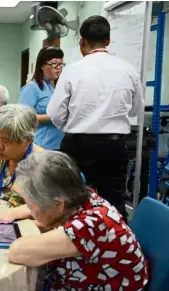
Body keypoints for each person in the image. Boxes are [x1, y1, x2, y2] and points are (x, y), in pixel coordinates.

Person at [0, 151, 148, 290]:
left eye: (31, 206)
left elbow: (18, 252)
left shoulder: (92, 223)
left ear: (58, 205)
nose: (29, 211)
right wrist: (14, 214)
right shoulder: (81, 198)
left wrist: (25, 221)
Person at [46, 16, 144, 220]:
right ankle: (115, 247)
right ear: (108, 41)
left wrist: (72, 127)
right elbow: (135, 110)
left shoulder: (72, 71)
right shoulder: (128, 70)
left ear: (82, 41)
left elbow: (55, 114)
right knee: (114, 203)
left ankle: (72, 246)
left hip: (78, 146)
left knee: (70, 202)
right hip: (114, 146)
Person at [20, 47, 65, 150]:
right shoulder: (32, 87)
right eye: (54, 64)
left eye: (61, 64)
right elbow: (23, 118)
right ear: (42, 65)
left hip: (61, 144)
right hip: (42, 145)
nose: (58, 68)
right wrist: (53, 117)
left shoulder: (59, 87)